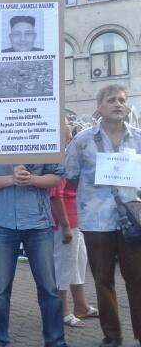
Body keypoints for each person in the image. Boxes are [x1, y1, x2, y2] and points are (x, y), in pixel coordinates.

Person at [65, 84, 141, 347]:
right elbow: (71, 175)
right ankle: (112, 336)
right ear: (99, 107)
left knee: (137, 278)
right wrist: (93, 196)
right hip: (96, 220)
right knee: (103, 279)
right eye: (111, 100)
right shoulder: (83, 140)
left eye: (122, 100)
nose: (118, 104)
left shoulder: (139, 138)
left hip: (132, 220)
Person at [0, 152, 67, 347]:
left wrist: (32, 179)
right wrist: (11, 178)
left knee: (48, 288)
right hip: (2, 222)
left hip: (38, 223)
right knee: (0, 290)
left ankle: (56, 341)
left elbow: (56, 178)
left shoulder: (41, 133)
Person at [50, 117, 98, 329]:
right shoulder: (59, 156)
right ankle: (62, 311)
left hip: (76, 219)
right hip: (66, 221)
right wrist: (66, 226)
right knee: (64, 266)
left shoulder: (69, 152)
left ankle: (81, 306)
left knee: (78, 263)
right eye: (66, 122)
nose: (70, 124)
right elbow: (55, 194)